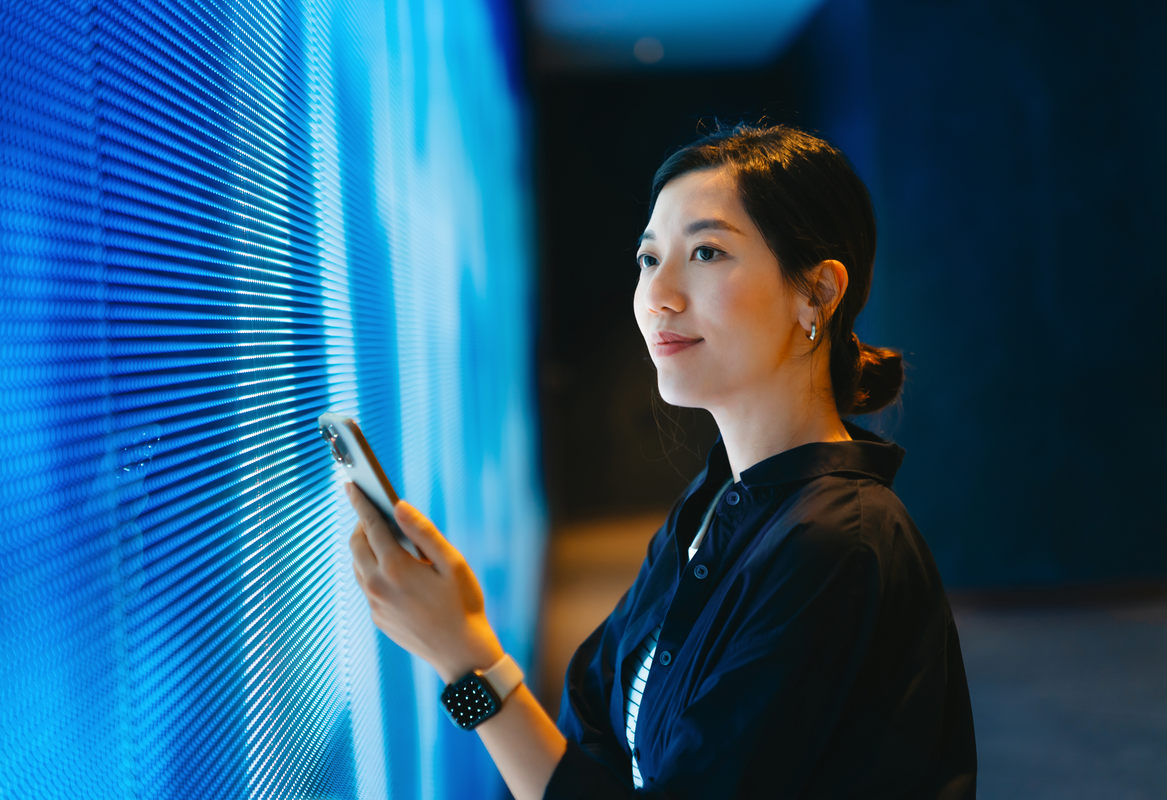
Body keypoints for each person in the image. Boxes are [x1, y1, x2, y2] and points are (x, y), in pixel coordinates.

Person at [345, 124, 977, 799]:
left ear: (817, 293)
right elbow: (590, 728)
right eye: (650, 259)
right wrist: (467, 659)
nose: (659, 295)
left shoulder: (835, 544)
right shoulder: (714, 503)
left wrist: (465, 658)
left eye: (706, 252)